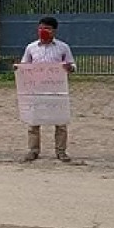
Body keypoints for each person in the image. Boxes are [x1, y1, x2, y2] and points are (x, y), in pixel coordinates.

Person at [17, 17, 76, 163]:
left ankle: (61, 151)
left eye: (48, 28)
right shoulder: (31, 48)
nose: (43, 31)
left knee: (61, 123)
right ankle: (33, 150)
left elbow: (72, 65)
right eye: (41, 28)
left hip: (56, 90)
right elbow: (25, 66)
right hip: (36, 89)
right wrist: (19, 69)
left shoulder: (63, 47)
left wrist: (69, 68)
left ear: (54, 31)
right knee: (33, 121)